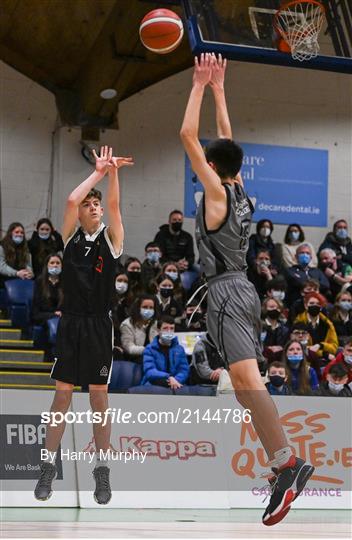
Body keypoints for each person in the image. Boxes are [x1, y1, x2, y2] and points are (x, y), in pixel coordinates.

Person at [180, 52, 314, 526]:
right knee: (240, 386)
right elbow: (227, 141)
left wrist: (198, 83)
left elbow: (187, 137)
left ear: (213, 167)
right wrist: (221, 89)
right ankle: (283, 463)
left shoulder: (217, 192)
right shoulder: (240, 190)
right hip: (244, 290)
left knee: (248, 382)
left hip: (225, 291)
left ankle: (287, 463)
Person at [34, 146, 133, 505]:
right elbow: (72, 197)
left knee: (98, 398)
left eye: (97, 204)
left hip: (98, 325)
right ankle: (47, 466)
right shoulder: (70, 236)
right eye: (90, 205)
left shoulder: (112, 238)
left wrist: (115, 175)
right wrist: (98, 171)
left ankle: (101, 471)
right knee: (62, 396)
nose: (94, 206)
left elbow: (116, 206)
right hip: (71, 324)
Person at [141, 315, 190, 392]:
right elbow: (149, 371)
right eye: (165, 328)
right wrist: (169, 377)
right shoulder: (149, 349)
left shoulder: (179, 349)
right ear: (158, 330)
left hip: (176, 384)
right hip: (154, 384)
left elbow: (184, 370)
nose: (169, 331)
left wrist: (175, 380)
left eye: (171, 328)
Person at [294, 291, 338, 373]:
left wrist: (320, 345)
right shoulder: (298, 322)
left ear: (321, 307)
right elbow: (302, 348)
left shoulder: (328, 324)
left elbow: (334, 346)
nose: (315, 305)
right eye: (311, 303)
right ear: (306, 305)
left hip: (324, 360)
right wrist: (324, 354)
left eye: (318, 304)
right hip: (304, 359)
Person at [32, 254, 63, 340]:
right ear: (47, 265)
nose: (55, 265)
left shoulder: (66, 283)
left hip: (61, 316)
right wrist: (53, 313)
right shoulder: (39, 282)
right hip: (43, 315)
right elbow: (38, 306)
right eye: (52, 263)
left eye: (58, 263)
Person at [120, 294, 158, 363]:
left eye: (151, 308)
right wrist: (148, 350)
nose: (148, 310)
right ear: (138, 308)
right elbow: (129, 348)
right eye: (145, 307)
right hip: (134, 360)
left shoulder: (155, 323)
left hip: (154, 357)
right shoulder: (127, 324)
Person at [261, 298, 290, 365]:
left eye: (277, 308)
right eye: (271, 307)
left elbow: (288, 344)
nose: (275, 309)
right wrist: (267, 348)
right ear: (265, 309)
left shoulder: (285, 329)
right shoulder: (259, 327)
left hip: (281, 361)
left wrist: (281, 347)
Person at [111, 273, 133, 359]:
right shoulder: (106, 300)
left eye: (125, 281)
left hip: (126, 337)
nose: (122, 284)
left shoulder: (131, 302)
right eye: (119, 280)